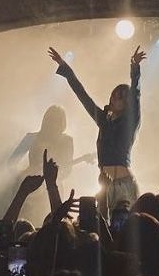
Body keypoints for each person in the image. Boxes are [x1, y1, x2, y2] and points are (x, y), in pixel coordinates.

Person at [48, 45, 146, 213]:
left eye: (120, 97)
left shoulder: (130, 122)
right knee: (102, 224)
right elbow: (83, 95)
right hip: (104, 182)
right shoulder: (103, 120)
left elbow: (136, 95)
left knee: (124, 226)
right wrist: (64, 67)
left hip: (124, 184)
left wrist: (135, 69)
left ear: (127, 102)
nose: (114, 99)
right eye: (113, 95)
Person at [9, 105, 77, 225]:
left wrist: (54, 177)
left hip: (52, 187)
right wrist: (23, 174)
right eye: (50, 120)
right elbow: (12, 162)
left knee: (51, 223)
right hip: (30, 186)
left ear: (62, 124)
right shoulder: (31, 137)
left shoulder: (66, 141)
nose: (53, 125)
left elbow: (67, 170)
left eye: (57, 121)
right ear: (45, 120)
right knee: (25, 223)